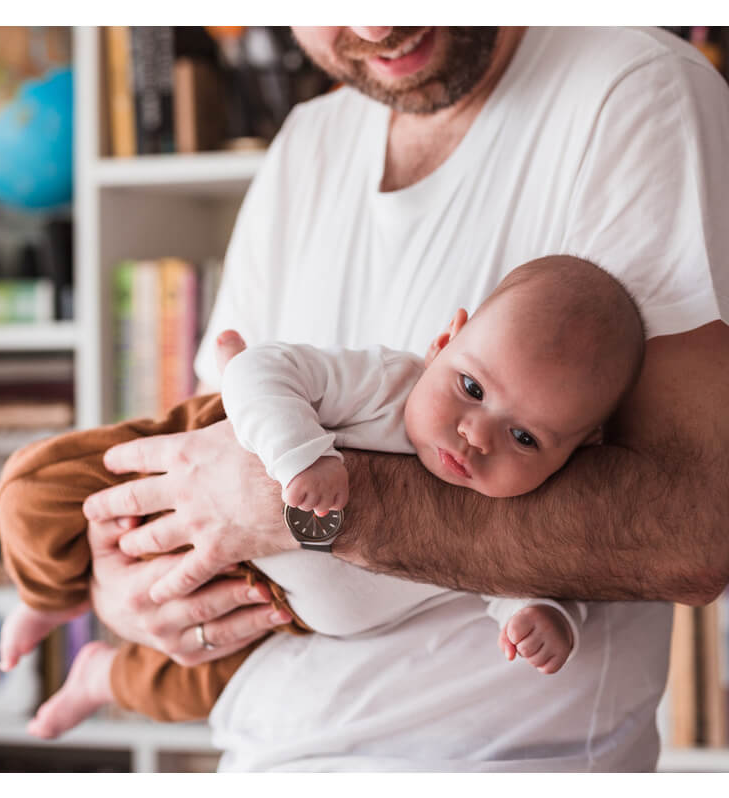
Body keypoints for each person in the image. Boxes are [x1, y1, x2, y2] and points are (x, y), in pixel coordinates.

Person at [80, 27, 729, 771]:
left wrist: (301, 507)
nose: (376, 25)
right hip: (255, 756)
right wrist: (130, 588)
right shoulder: (306, 144)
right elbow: (202, 471)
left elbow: (697, 532)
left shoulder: (633, 87)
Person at [0, 255, 641, 738]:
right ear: (444, 343)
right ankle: (49, 596)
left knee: (186, 690)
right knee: (36, 492)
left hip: (271, 608)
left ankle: (97, 678)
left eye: (525, 436)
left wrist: (545, 619)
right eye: (471, 388)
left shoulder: (516, 507)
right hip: (205, 450)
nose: (475, 435)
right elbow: (263, 369)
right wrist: (301, 454)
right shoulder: (388, 384)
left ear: (575, 454)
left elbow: (520, 579)